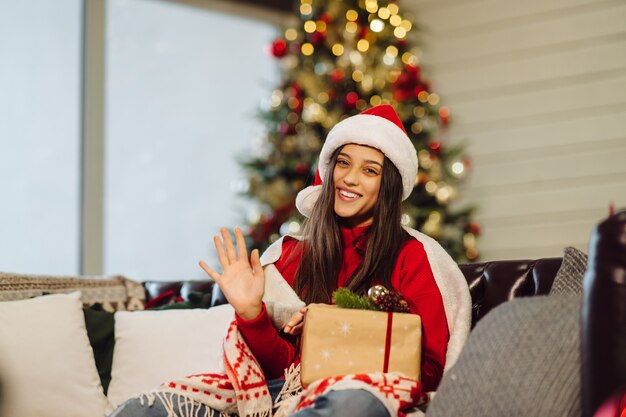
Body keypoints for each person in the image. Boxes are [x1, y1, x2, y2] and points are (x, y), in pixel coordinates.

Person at [109, 104, 471, 417]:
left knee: (350, 406)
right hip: (283, 395)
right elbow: (278, 372)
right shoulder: (292, 256)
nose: (349, 178)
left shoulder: (415, 257)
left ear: (388, 185)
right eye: (343, 163)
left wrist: (344, 339)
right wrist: (252, 315)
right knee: (147, 409)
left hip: (364, 396)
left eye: (369, 170)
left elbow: (429, 371)